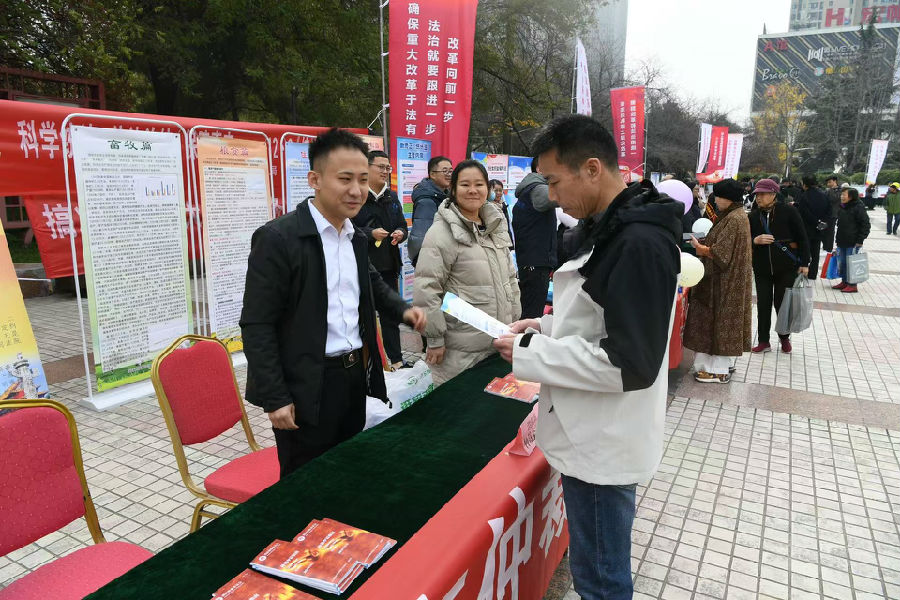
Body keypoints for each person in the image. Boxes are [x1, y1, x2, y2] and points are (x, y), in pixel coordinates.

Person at [493, 115, 682, 600]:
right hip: (593, 431)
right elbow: (601, 321)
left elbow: (628, 363)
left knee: (600, 580)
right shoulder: (614, 226)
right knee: (598, 569)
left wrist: (532, 352)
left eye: (555, 181)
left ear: (592, 168)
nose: (552, 197)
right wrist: (544, 328)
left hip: (603, 441)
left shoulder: (636, 242)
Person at [240, 129, 426, 478]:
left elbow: (371, 282)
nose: (356, 190)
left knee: (350, 472)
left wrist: (403, 310)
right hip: (307, 383)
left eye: (362, 179)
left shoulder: (354, 236)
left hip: (353, 376)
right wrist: (276, 396)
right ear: (315, 179)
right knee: (306, 482)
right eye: (345, 179)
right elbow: (257, 324)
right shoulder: (278, 238)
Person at [413, 159, 520, 386]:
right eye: (465, 185)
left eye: (479, 184)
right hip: (460, 351)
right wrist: (434, 338)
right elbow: (426, 288)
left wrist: (515, 321)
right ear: (453, 190)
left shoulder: (495, 225)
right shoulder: (441, 232)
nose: (472, 190)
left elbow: (510, 278)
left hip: (499, 343)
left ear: (487, 189)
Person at [683, 179, 753, 382]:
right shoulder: (736, 215)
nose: (715, 201)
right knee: (721, 324)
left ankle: (716, 370)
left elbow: (721, 254)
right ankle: (721, 366)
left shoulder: (733, 218)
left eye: (718, 197)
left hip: (722, 282)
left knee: (717, 323)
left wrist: (701, 248)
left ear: (727, 198)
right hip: (727, 280)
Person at [351, 150, 410, 370]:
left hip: (389, 266)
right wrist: (370, 234)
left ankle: (396, 359)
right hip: (362, 267)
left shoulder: (391, 197)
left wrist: (401, 233)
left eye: (388, 167)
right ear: (366, 167)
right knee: (363, 317)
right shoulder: (356, 195)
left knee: (390, 315)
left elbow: (402, 224)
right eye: (381, 167)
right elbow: (347, 228)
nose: (385, 171)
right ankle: (368, 363)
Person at [748, 178, 810, 354]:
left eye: (763, 194)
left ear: (774, 194)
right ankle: (763, 341)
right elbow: (745, 239)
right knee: (763, 304)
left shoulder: (789, 211)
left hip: (786, 267)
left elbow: (802, 237)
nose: (759, 197)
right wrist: (755, 240)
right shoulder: (753, 215)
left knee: (782, 304)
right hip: (761, 268)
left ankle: (784, 337)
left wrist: (805, 263)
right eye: (757, 194)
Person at [513, 157, 557, 319]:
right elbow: (559, 196)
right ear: (539, 168)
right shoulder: (537, 189)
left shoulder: (529, 190)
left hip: (534, 262)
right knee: (532, 315)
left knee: (530, 310)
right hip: (536, 264)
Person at [408, 155, 452, 266]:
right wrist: (421, 261)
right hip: (430, 260)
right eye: (445, 171)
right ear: (432, 174)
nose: (449, 174)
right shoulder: (427, 201)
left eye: (451, 171)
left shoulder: (444, 195)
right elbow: (421, 236)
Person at [832, 187, 871, 293]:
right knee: (843, 263)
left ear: (851, 197)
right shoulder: (843, 207)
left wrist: (860, 240)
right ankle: (844, 281)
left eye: (844, 195)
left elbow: (866, 225)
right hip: (842, 240)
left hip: (853, 241)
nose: (842, 197)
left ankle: (852, 285)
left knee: (852, 264)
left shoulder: (858, 207)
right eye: (841, 194)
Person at [796, 175, 832, 279]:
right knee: (815, 251)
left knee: (804, 249)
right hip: (819, 228)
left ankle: (802, 271)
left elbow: (803, 212)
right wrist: (821, 223)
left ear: (805, 184)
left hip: (806, 227)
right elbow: (829, 211)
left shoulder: (805, 195)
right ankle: (812, 274)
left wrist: (815, 221)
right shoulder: (823, 194)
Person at [489, 178, 514, 243]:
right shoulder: (487, 207)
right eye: (495, 191)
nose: (498, 193)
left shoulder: (503, 205)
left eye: (500, 190)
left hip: (505, 241)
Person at [823, 175, 842, 249]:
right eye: (827, 183)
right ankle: (825, 246)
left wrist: (830, 190)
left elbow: (834, 199)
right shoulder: (827, 190)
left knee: (830, 231)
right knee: (824, 231)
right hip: (826, 214)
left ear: (835, 181)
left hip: (834, 214)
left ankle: (829, 247)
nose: (828, 184)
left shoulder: (840, 190)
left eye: (830, 182)